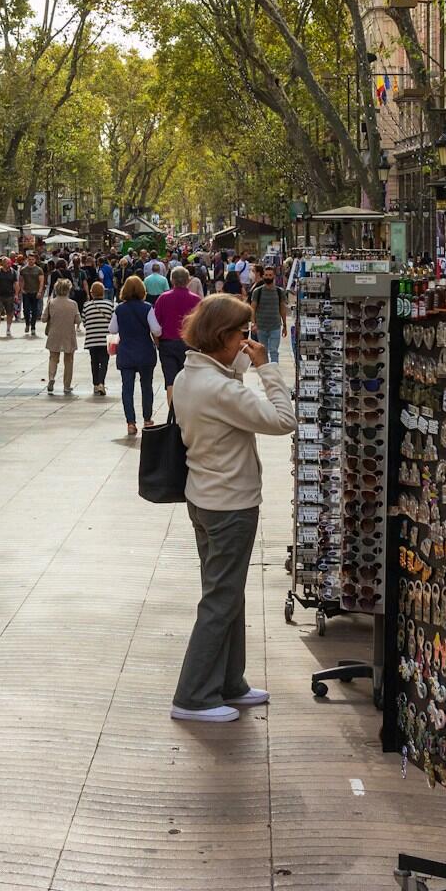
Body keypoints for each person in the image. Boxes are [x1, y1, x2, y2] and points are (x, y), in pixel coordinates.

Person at [169, 294, 296, 722]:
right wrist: (267, 368)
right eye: (243, 333)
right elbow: (282, 420)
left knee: (227, 593)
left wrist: (242, 361)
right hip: (230, 504)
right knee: (221, 599)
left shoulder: (192, 375)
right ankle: (193, 696)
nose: (249, 339)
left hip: (205, 495)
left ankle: (228, 681)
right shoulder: (218, 389)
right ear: (223, 336)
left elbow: (225, 381)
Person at [113, 275, 162, 436]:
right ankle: (147, 419)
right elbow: (156, 330)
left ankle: (130, 422)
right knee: (146, 385)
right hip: (145, 352)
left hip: (126, 352)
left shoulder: (119, 309)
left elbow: (112, 329)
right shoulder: (147, 307)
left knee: (127, 388)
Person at [153, 266, 201, 396]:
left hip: (167, 343)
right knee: (189, 380)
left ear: (172, 280)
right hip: (190, 344)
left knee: (170, 381)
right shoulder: (196, 300)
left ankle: (173, 413)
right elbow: (201, 325)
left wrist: (157, 342)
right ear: (188, 280)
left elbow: (155, 323)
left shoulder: (163, 298)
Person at [42, 278, 82, 395]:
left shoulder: (51, 303)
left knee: (53, 358)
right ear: (68, 289)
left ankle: (51, 378)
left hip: (54, 333)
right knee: (69, 360)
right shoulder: (73, 304)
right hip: (68, 334)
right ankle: (66, 385)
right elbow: (78, 319)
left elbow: (44, 319)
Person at [248, 265, 288, 365]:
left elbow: (282, 308)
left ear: (274, 276)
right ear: (263, 276)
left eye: (270, 275)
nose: (268, 277)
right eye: (266, 275)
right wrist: (253, 323)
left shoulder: (279, 292)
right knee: (263, 351)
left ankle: (274, 373)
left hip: (275, 326)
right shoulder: (258, 291)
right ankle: (266, 372)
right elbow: (252, 308)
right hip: (261, 326)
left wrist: (285, 324)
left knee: (274, 351)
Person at [81, 280, 115, 397]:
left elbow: (84, 322)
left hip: (92, 339)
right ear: (103, 293)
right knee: (104, 362)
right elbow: (113, 322)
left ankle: (95, 384)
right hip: (105, 339)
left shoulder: (87, 305)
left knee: (94, 362)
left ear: (92, 293)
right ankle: (101, 382)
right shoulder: (110, 304)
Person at [0, 257, 19, 339]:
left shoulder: (13, 272)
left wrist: (16, 294)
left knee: (10, 312)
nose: (9, 265)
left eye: (10, 263)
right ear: (3, 263)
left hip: (10, 295)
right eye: (7, 263)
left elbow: (16, 284)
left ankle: (8, 329)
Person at [18, 257, 44, 337]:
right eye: (29, 259)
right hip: (26, 292)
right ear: (27, 260)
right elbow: (21, 280)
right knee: (26, 310)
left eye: (33, 259)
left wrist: (40, 291)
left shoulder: (39, 270)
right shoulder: (23, 269)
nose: (31, 261)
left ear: (35, 260)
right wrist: (21, 289)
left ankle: (33, 327)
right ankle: (27, 324)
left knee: (34, 310)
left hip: (35, 292)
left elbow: (41, 281)